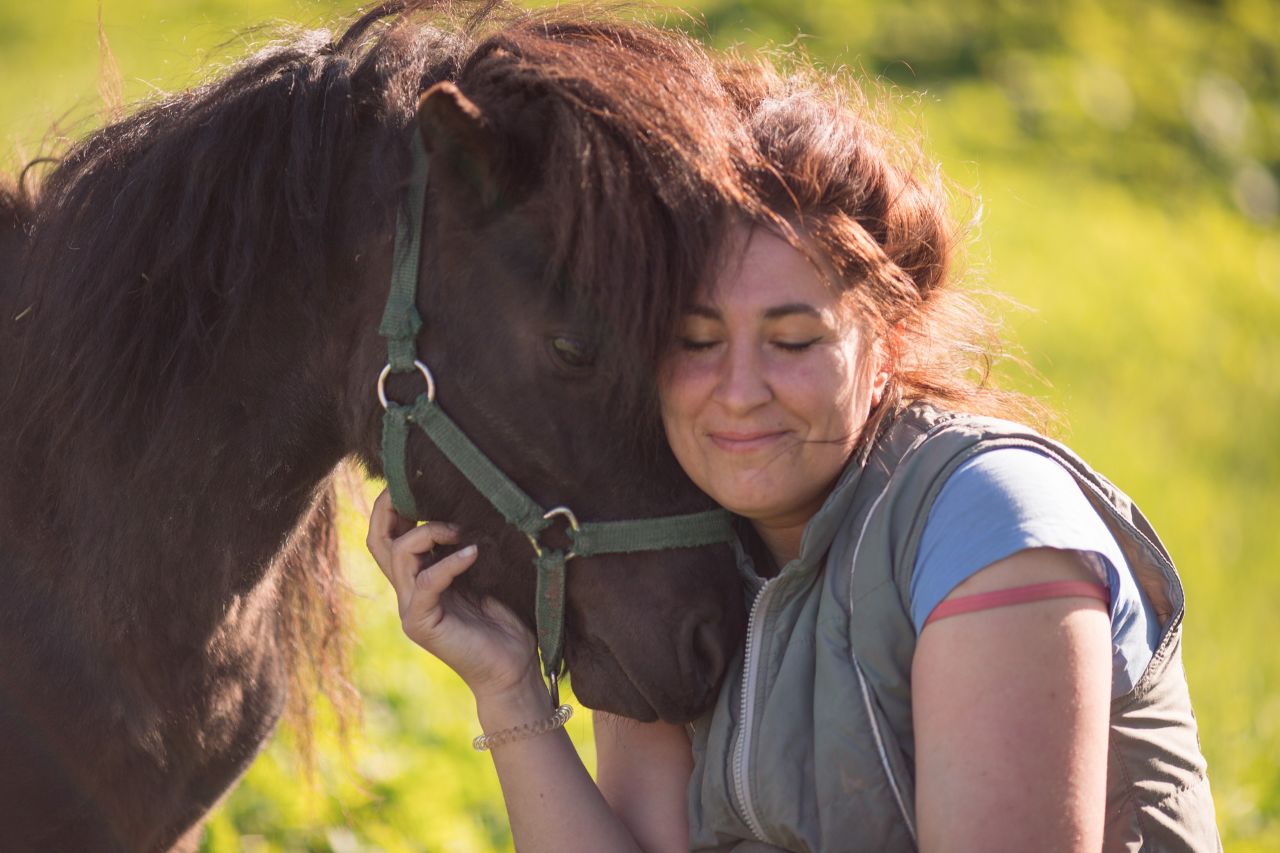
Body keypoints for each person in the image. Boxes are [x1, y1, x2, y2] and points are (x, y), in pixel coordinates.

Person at [365, 42, 1220, 853]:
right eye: (695, 340)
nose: (739, 391)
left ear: (885, 344)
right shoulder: (667, 536)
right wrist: (508, 684)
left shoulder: (982, 523)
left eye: (795, 339)